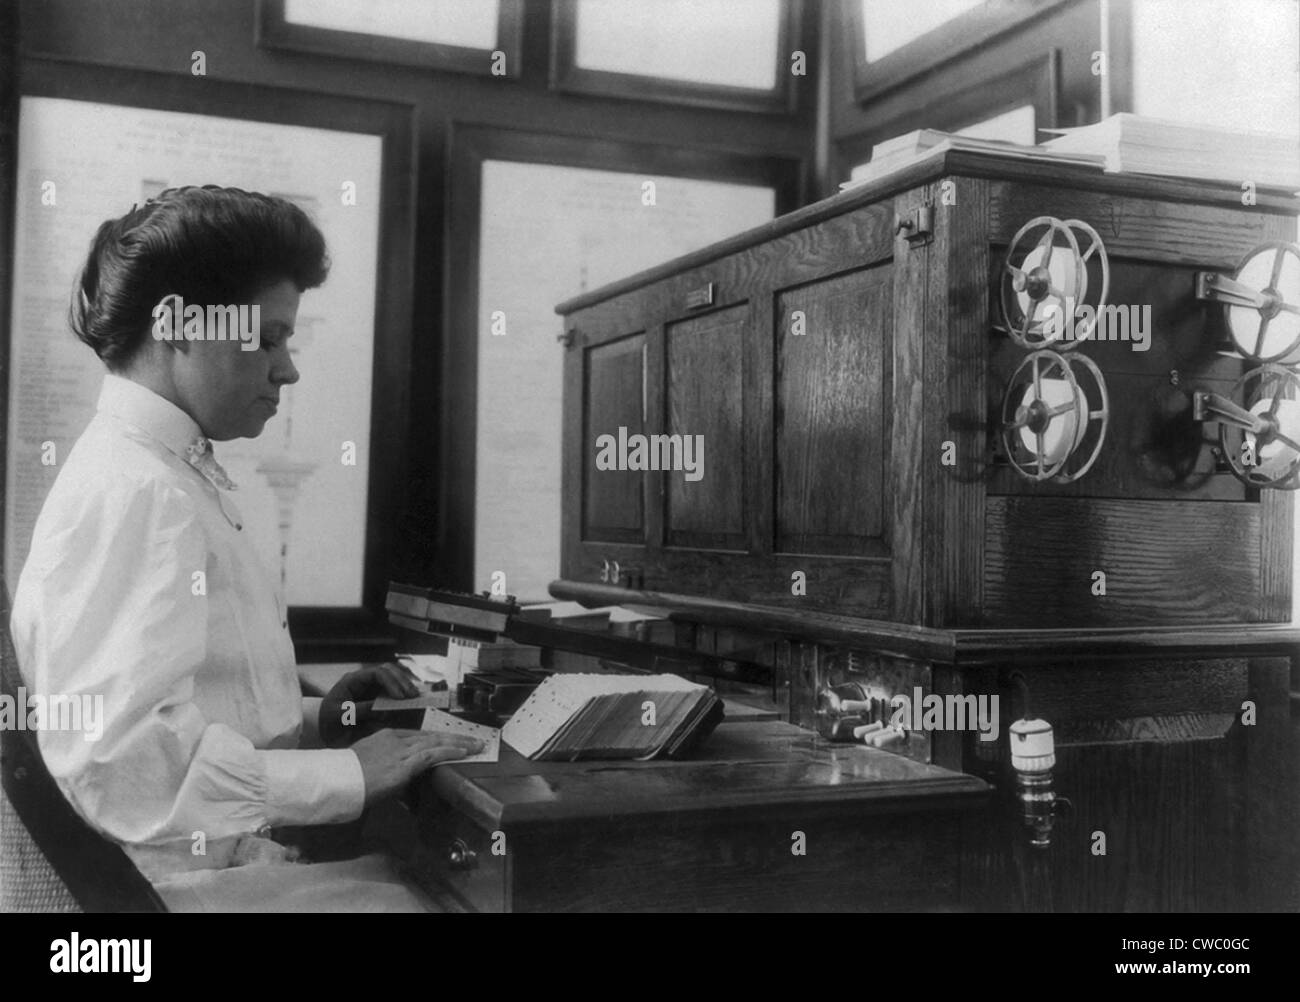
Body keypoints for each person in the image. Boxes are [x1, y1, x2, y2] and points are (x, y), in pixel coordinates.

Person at [9, 185, 479, 911]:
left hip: (216, 864)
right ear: (176, 324)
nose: (286, 367)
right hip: (184, 892)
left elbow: (193, 699)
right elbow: (123, 760)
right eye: (265, 336)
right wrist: (349, 777)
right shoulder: (137, 489)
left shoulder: (160, 471)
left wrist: (323, 720)